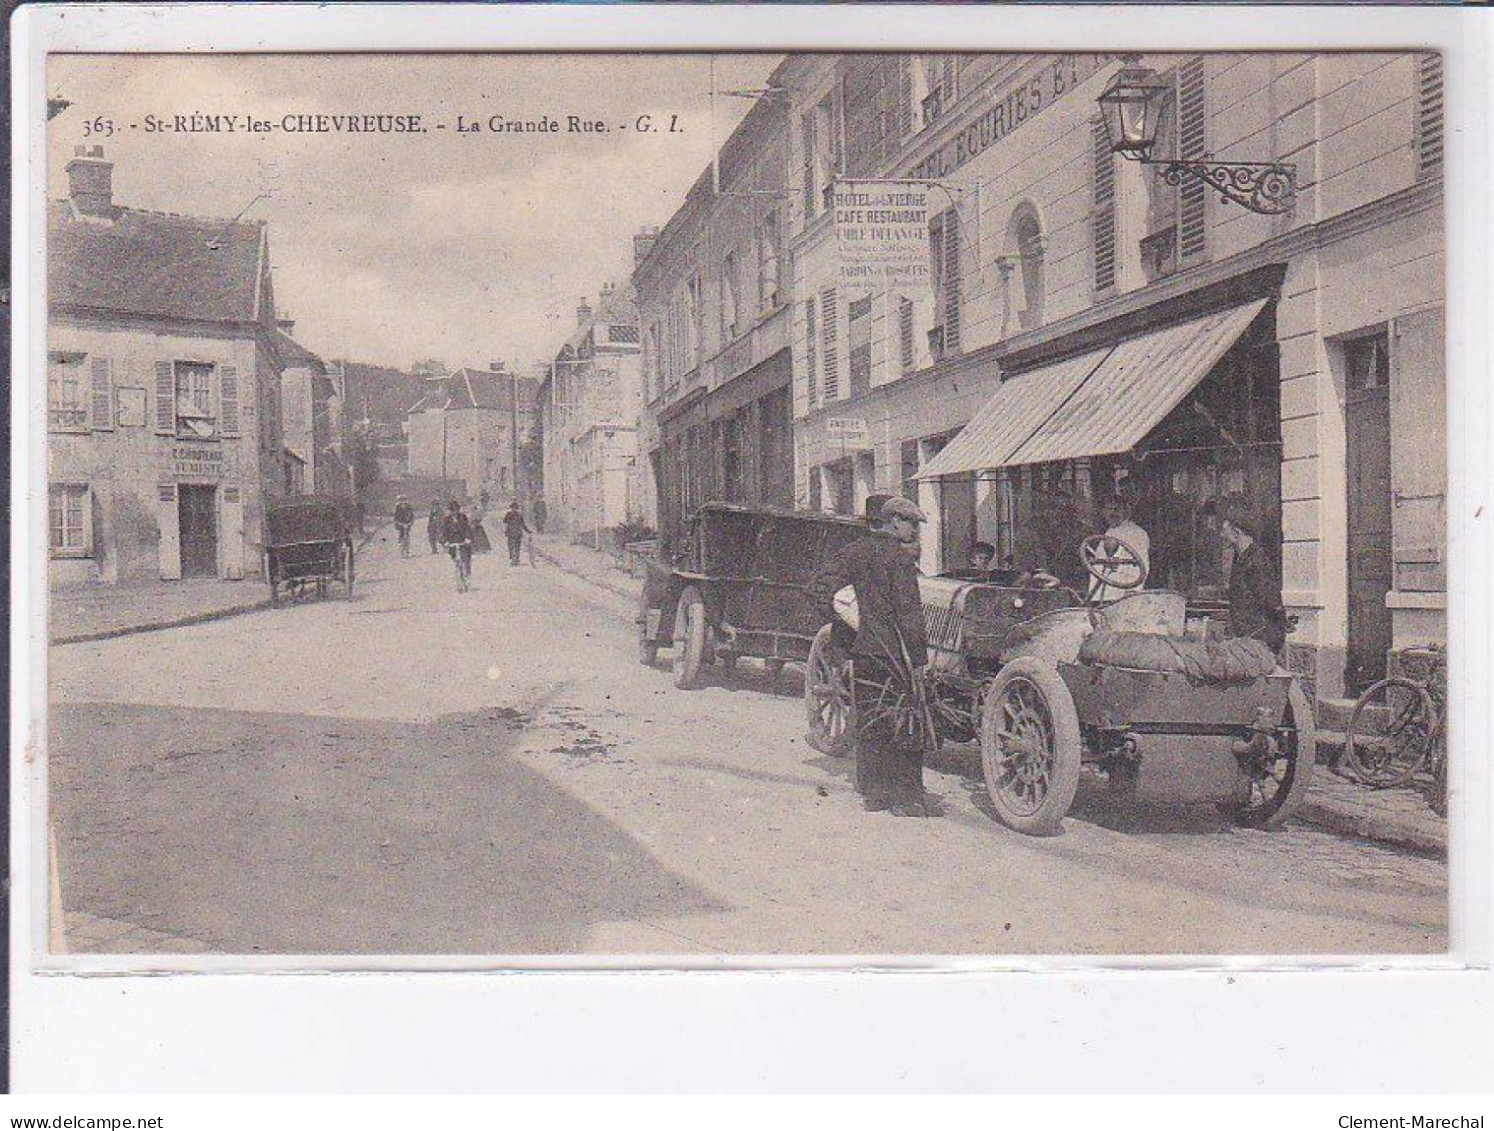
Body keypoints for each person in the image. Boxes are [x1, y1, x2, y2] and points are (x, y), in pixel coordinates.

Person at [811, 495, 937, 818]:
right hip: (897, 655)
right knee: (907, 720)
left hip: (865, 651)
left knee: (870, 718)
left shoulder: (854, 552)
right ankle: (905, 798)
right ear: (894, 521)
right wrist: (920, 661)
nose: (914, 530)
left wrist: (846, 622)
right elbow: (910, 615)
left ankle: (874, 793)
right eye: (911, 523)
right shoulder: (899, 559)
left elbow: (819, 589)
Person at [1217, 495, 1289, 654]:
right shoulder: (1241, 559)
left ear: (1236, 533)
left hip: (1258, 642)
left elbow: (1271, 603)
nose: (1221, 536)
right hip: (1245, 640)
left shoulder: (1256, 562)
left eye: (1224, 531)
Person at [1089, 493, 1150, 603]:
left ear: (1125, 511)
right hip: (1102, 594)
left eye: (1117, 509)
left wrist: (1133, 590)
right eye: (1109, 509)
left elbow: (1142, 564)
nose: (1113, 513)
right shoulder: (1109, 532)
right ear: (1103, 512)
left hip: (1122, 594)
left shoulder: (1136, 533)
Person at [441, 500, 473, 592]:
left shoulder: (463, 517)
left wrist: (468, 538)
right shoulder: (446, 520)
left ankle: (467, 581)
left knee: (466, 562)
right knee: (457, 564)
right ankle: (459, 583)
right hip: (453, 544)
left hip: (463, 543)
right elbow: (444, 532)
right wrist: (445, 541)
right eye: (452, 510)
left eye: (456, 510)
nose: (454, 512)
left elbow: (467, 528)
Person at [502, 501, 531, 566]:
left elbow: (523, 524)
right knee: (511, 546)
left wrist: (528, 531)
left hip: (517, 533)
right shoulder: (509, 514)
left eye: (515, 508)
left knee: (517, 546)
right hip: (511, 533)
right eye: (512, 508)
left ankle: (516, 558)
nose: (513, 509)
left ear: (516, 508)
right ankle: (513, 558)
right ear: (511, 508)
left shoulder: (519, 515)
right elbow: (505, 522)